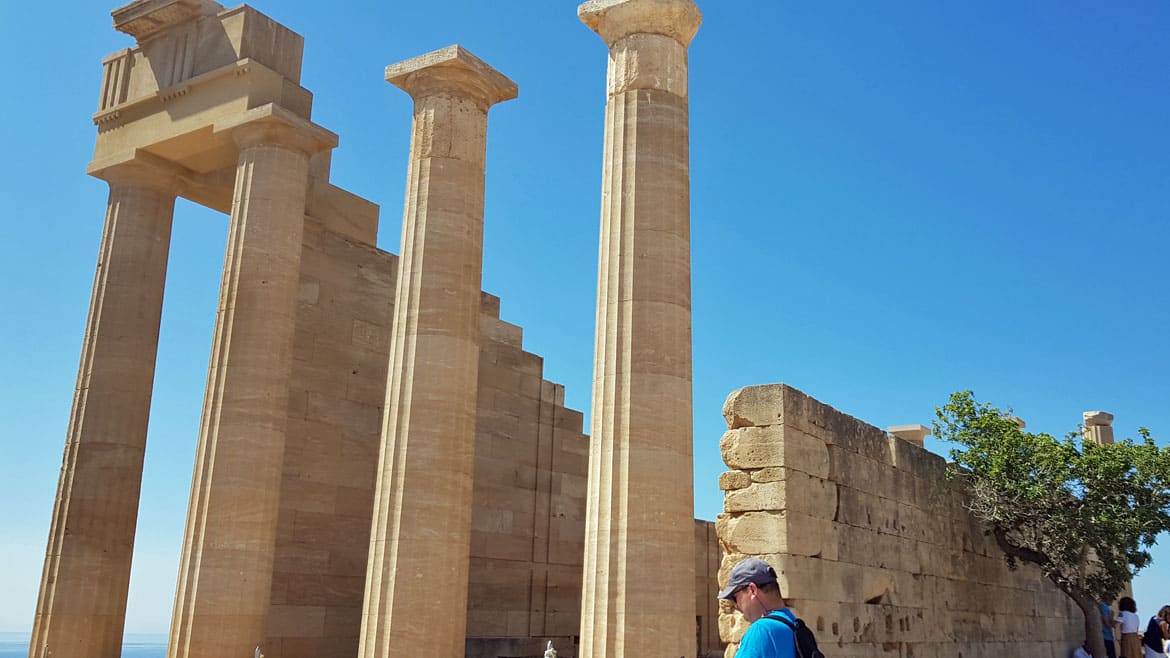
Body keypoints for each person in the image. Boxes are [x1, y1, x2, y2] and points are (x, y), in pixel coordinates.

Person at [718, 558, 796, 658]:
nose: (736, 605)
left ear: (752, 590)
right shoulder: (794, 624)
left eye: (735, 597)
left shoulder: (761, 630)